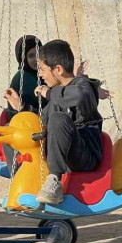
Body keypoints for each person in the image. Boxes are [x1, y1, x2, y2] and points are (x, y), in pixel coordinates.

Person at [32, 40, 105, 205]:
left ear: (58, 69)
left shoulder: (83, 87)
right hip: (64, 156)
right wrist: (20, 110)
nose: (41, 75)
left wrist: (49, 93)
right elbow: (42, 120)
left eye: (43, 70)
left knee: (59, 118)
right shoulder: (57, 95)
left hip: (86, 156)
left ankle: (54, 181)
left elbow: (79, 96)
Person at [1, 35, 46, 173]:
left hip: (45, 123)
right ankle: (18, 173)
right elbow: (18, 114)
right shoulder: (21, 79)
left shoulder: (47, 75)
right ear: (23, 58)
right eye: (31, 55)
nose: (36, 60)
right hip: (26, 125)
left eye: (39, 54)